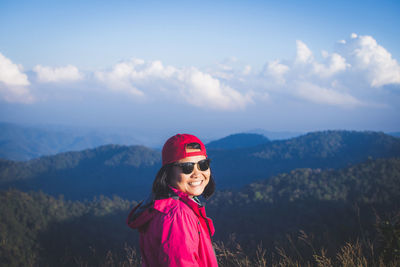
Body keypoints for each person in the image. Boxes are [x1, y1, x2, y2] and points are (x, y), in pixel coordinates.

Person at [127, 133, 218, 267]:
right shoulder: (177, 215)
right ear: (168, 173)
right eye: (187, 167)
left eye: (203, 165)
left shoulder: (163, 205)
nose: (197, 173)